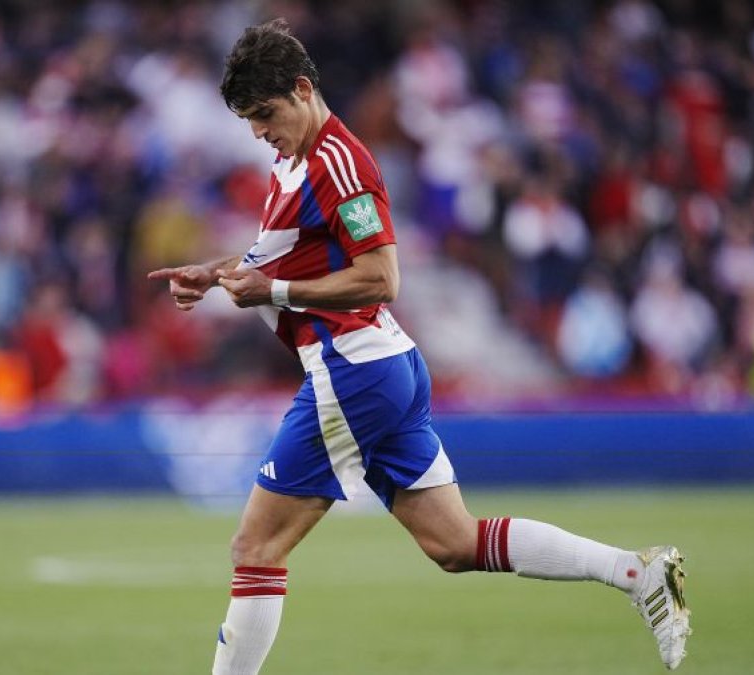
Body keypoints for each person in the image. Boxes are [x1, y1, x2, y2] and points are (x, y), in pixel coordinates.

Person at [148, 19, 691, 674]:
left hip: (351, 369)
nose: (259, 132)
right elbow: (283, 256)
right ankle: (637, 572)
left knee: (255, 549)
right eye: (249, 122)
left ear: (301, 89)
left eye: (265, 114)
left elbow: (383, 276)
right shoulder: (296, 160)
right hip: (384, 367)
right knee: (455, 542)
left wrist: (277, 292)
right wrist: (216, 271)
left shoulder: (341, 163)